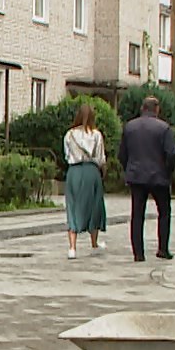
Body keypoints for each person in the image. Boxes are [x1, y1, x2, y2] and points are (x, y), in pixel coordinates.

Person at [120, 96, 175, 261]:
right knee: (164, 212)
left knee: (137, 215)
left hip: (136, 176)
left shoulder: (130, 127)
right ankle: (163, 249)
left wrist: (129, 168)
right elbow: (172, 153)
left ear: (142, 108)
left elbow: (122, 154)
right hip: (159, 176)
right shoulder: (164, 128)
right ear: (157, 109)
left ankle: (138, 253)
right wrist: (168, 171)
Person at [62, 103, 109, 259]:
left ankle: (72, 247)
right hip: (91, 171)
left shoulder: (69, 135)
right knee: (94, 206)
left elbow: (67, 155)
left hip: (74, 171)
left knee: (72, 206)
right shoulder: (96, 135)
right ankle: (94, 243)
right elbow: (101, 158)